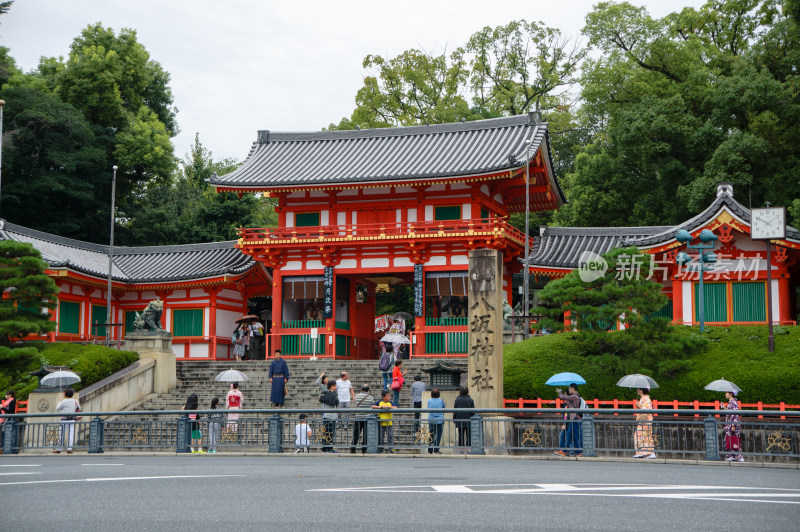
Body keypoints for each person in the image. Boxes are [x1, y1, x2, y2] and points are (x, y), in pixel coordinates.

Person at [553, 384, 583, 457]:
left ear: (573, 388)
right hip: (573, 419)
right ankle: (577, 451)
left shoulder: (575, 396)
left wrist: (560, 392)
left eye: (570, 388)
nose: (569, 390)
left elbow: (562, 397)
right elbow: (567, 401)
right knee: (573, 436)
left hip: (574, 418)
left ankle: (567, 451)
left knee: (572, 435)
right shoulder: (575, 397)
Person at [54, 388, 81, 454]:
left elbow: (58, 408)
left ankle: (59, 449)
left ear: (65, 394)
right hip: (72, 419)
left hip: (64, 419)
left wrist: (60, 401)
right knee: (71, 434)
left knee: (61, 434)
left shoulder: (63, 401)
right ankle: (69, 449)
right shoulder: (75, 401)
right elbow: (79, 408)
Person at [350, 384, 374, 454]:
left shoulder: (357, 396)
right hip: (367, 418)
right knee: (365, 434)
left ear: (361, 389)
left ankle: (353, 448)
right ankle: (364, 449)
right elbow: (372, 406)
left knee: (356, 433)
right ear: (368, 390)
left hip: (358, 417)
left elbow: (355, 404)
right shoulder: (370, 397)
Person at [633, 388, 656, 459]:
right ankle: (651, 453)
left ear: (641, 390)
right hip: (647, 420)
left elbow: (645, 409)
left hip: (644, 421)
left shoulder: (644, 398)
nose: (637, 391)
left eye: (638, 389)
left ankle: (640, 452)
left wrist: (638, 405)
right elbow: (644, 407)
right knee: (647, 436)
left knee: (639, 435)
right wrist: (638, 405)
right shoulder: (645, 398)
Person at [453, 386, 475, 454]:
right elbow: (473, 411)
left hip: (460, 419)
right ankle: (469, 449)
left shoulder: (457, 400)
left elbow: (455, 410)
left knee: (461, 435)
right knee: (469, 435)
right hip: (469, 419)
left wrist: (454, 419)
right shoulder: (470, 399)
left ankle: (461, 450)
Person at [319, 380, 339, 453]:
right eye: (335, 386)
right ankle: (329, 447)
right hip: (331, 416)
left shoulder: (325, 393)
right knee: (330, 432)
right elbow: (337, 403)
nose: (336, 387)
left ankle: (325, 448)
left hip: (326, 416)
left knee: (327, 432)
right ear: (332, 386)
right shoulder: (333, 394)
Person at [724, 391, 744, 462]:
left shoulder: (733, 402)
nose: (725, 394)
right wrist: (724, 408)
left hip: (732, 424)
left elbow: (735, 413)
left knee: (734, 439)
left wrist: (733, 424)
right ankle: (732, 456)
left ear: (730, 394)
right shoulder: (731, 402)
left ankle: (739, 456)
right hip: (730, 423)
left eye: (726, 393)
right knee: (730, 440)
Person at [427, 388, 446, 454]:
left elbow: (428, 407)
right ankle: (436, 449)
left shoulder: (429, 401)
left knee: (431, 434)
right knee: (438, 435)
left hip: (431, 419)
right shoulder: (441, 401)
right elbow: (444, 408)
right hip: (440, 420)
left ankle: (430, 449)